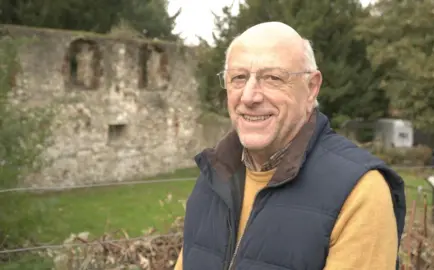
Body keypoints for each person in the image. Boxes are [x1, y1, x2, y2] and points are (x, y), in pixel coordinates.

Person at [174, 21, 406, 270]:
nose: (249, 96)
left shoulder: (360, 192)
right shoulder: (213, 177)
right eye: (239, 78)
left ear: (311, 88)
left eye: (273, 78)